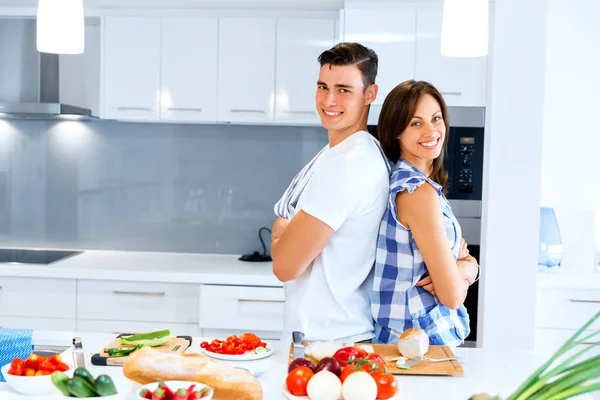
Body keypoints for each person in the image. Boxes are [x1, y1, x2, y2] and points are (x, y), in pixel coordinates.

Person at [271, 42, 390, 344]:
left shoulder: (348, 165)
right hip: (337, 335)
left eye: (344, 90)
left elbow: (285, 266)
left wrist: (280, 234)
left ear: (370, 94)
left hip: (326, 344)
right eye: (323, 87)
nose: (329, 100)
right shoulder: (346, 153)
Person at [370, 80, 480, 346]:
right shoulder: (417, 192)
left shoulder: (419, 184)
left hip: (414, 340)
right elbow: (452, 296)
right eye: (415, 123)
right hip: (415, 345)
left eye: (436, 118)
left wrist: (467, 266)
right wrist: (465, 272)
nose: (431, 131)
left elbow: (459, 262)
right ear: (396, 131)